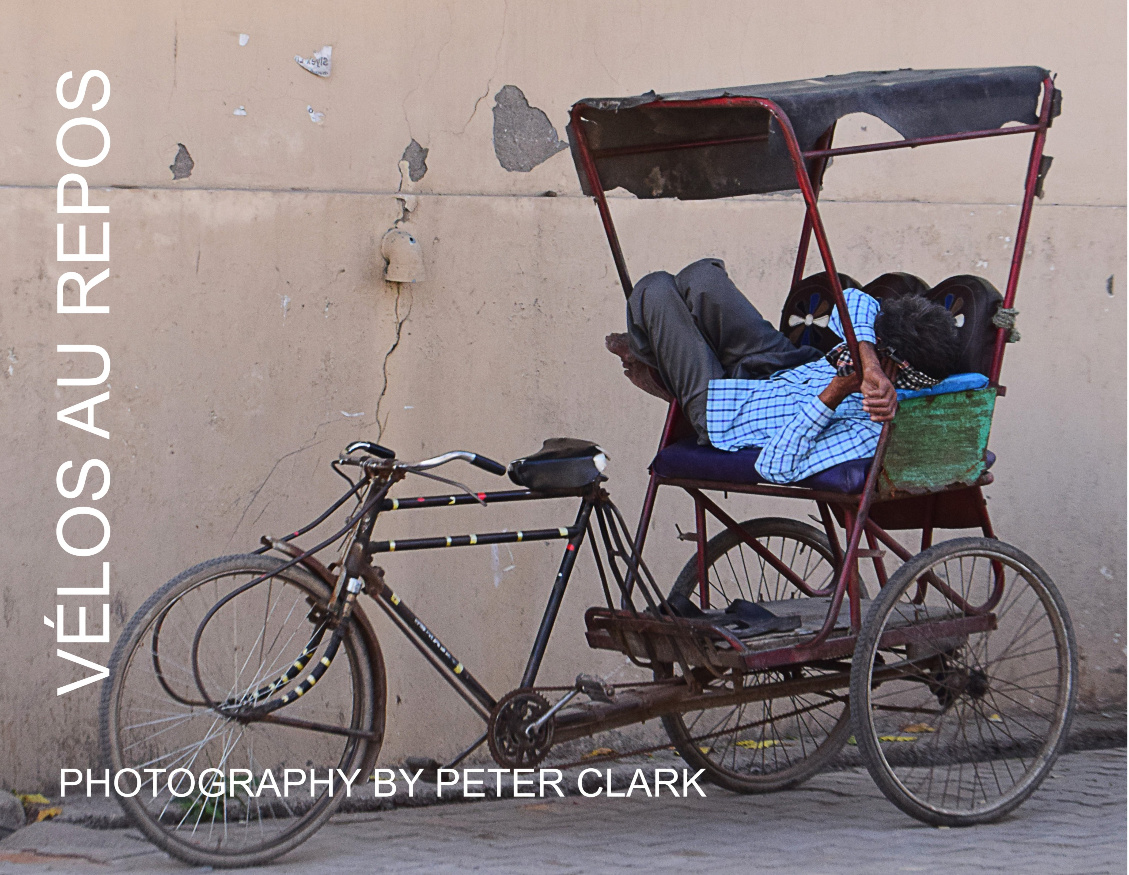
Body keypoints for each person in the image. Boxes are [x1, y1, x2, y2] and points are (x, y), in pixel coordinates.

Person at [608, 258, 962, 484]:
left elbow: (775, 467)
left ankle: (653, 354)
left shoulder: (871, 424)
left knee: (654, 289)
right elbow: (852, 300)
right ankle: (662, 343)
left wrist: (836, 392)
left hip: (729, 411)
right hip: (787, 364)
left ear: (896, 365)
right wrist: (868, 359)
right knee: (701, 277)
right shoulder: (873, 358)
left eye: (875, 350)